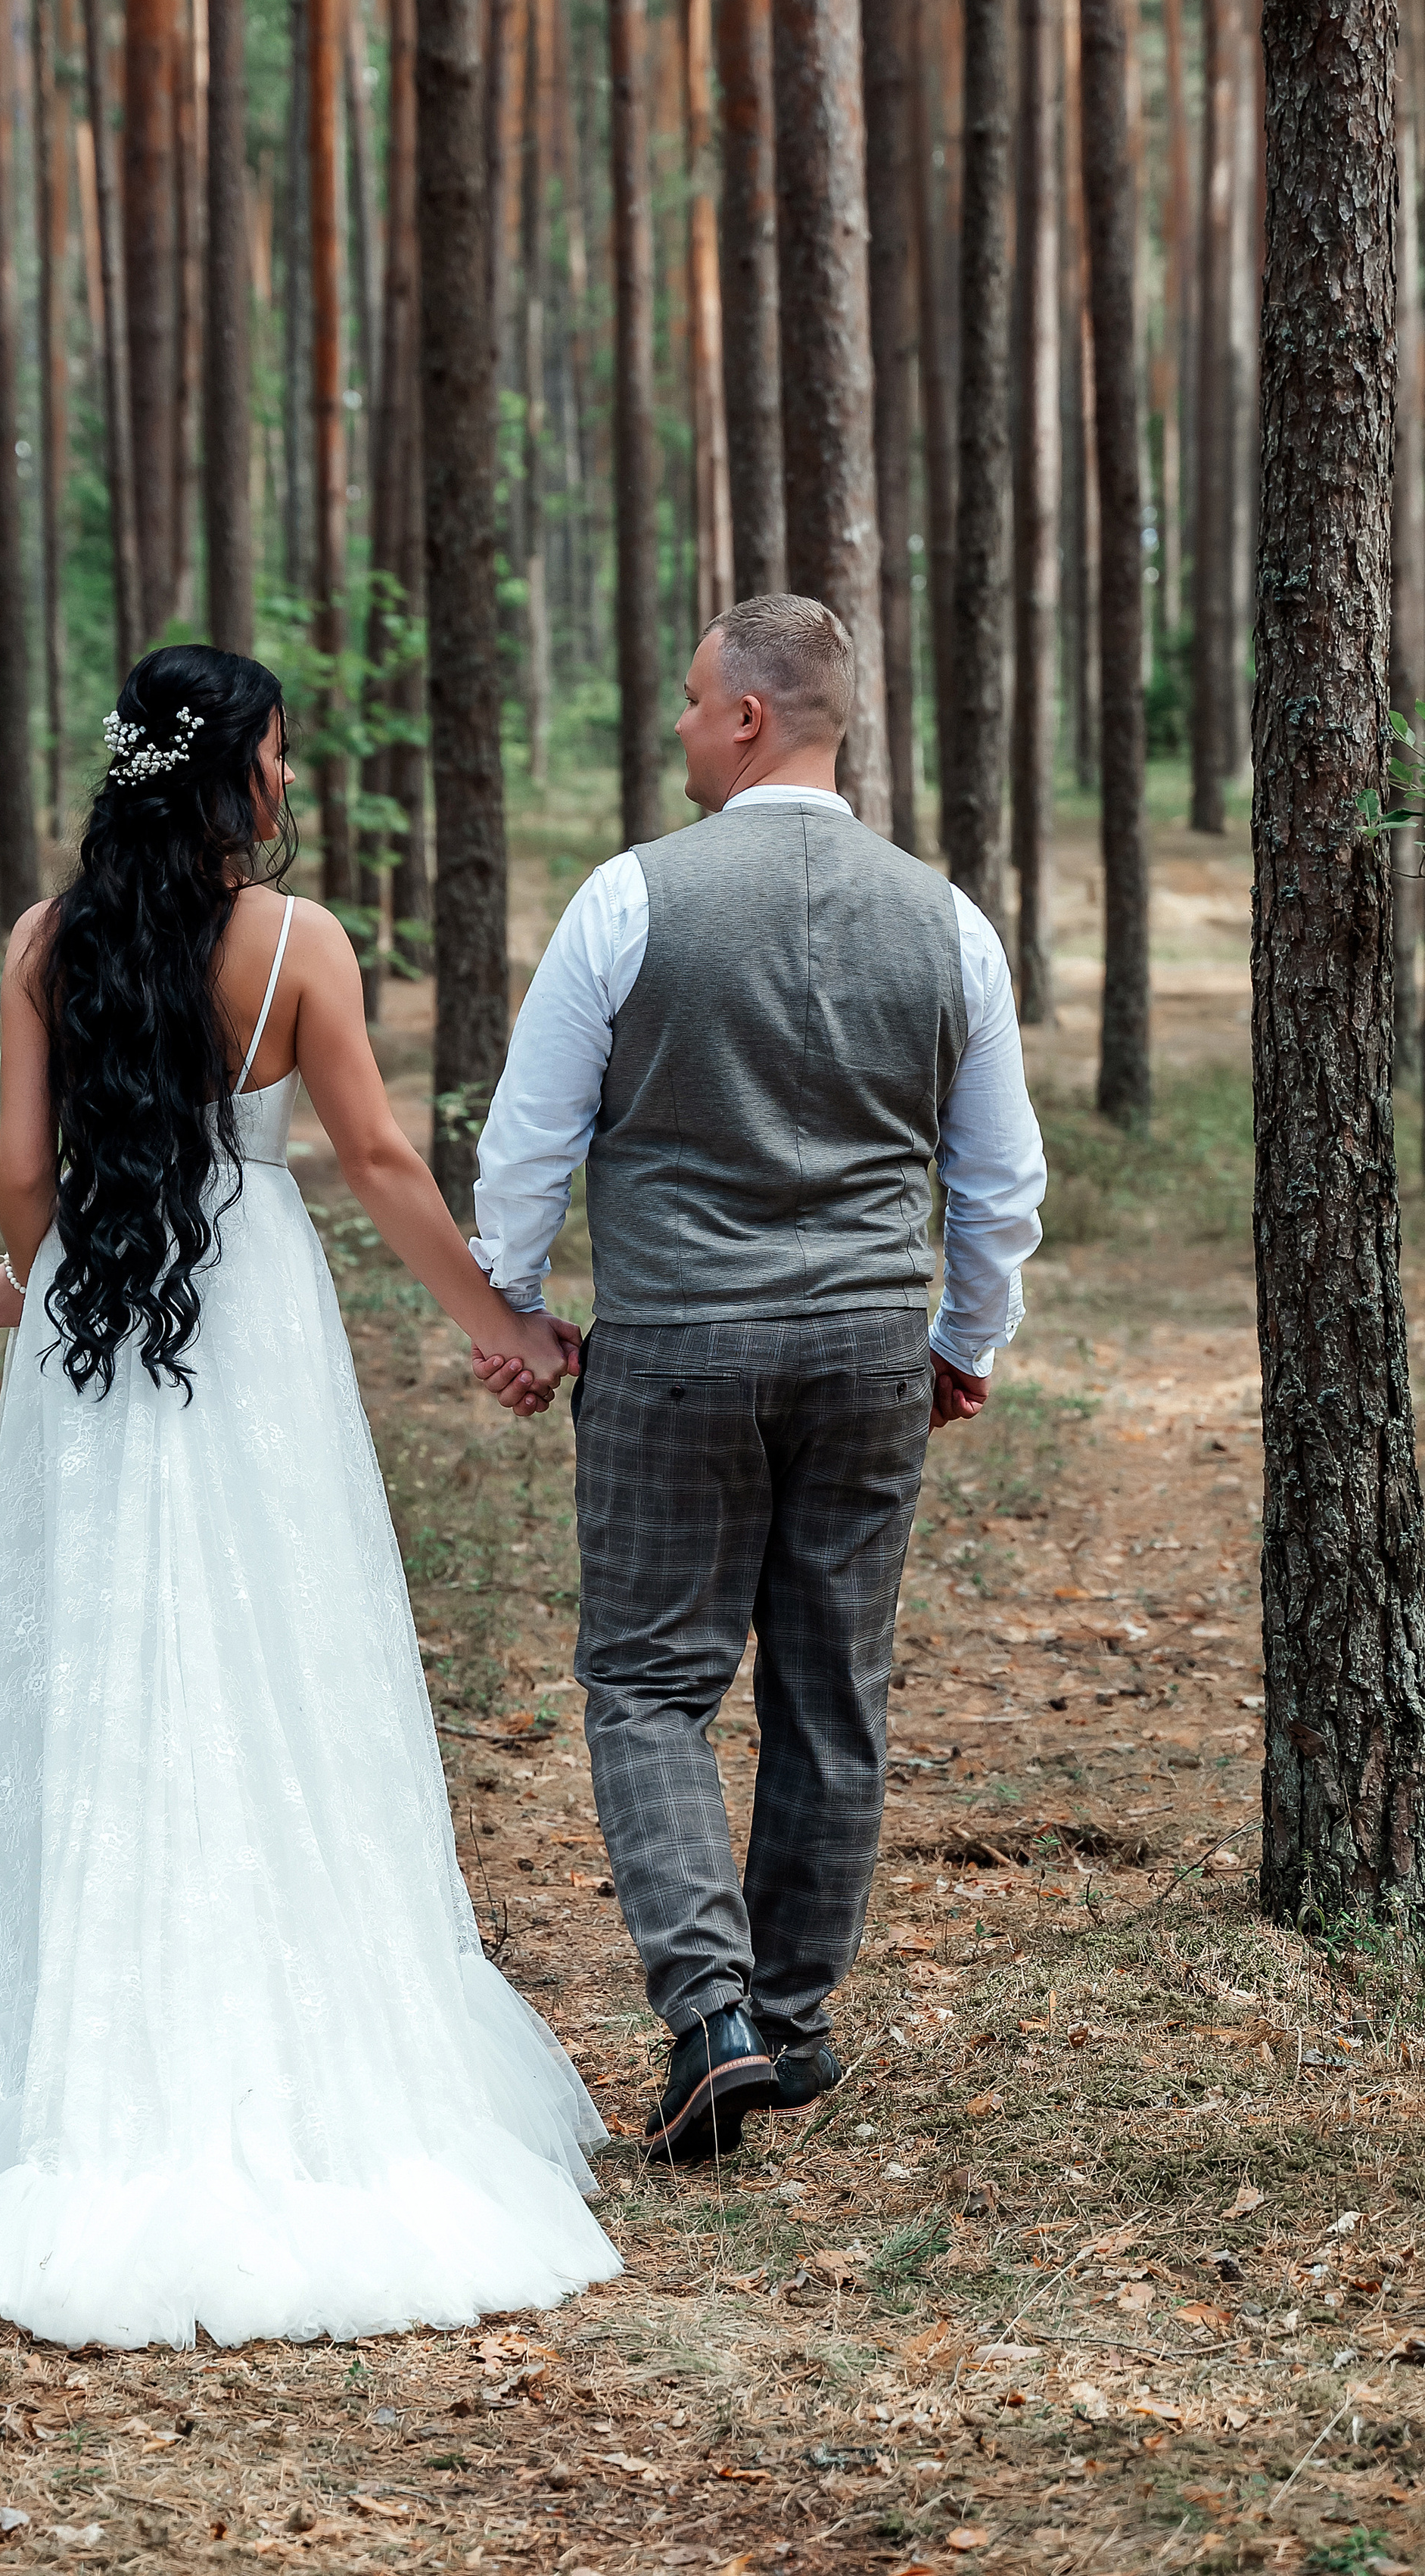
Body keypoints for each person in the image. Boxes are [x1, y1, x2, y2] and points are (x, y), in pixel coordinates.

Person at [0, 643, 619, 2348]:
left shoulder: (41, 939)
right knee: (282, 1640)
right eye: (280, 757)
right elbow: (370, 1157)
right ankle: (290, 2015)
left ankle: (60, 2042)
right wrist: (501, 1328)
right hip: (250, 1325)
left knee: (85, 1654)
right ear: (229, 772)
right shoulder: (298, 946)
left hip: (99, 1326)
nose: (290, 785)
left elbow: (17, 1172)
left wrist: (59, 1281)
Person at [468, 593, 1046, 2168]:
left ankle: (710, 2016)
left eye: (684, 698)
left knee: (649, 1681)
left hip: (672, 1345)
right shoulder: (946, 920)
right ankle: (787, 2021)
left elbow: (528, 1142)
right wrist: (959, 1341)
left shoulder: (625, 901)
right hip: (866, 1343)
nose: (672, 724)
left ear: (745, 718)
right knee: (826, 1686)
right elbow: (997, 1179)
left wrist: (514, 1312)